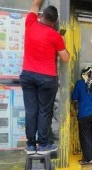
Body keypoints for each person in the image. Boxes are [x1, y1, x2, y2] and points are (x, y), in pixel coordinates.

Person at [20, 0, 70, 154]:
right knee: (44, 111)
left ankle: (30, 145)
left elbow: (35, 5)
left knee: (31, 110)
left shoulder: (31, 23)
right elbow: (65, 58)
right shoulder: (55, 36)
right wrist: (64, 45)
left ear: (41, 16)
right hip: (47, 78)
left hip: (28, 75)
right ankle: (42, 145)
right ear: (54, 22)